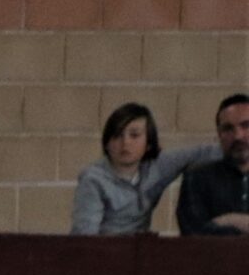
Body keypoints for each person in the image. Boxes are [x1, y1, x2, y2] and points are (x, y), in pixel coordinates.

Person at [70, 104, 218, 236]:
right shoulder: (93, 180)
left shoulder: (157, 166)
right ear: (107, 144)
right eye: (117, 135)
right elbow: (84, 237)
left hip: (140, 252)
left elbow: (202, 152)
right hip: (106, 254)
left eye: (134, 135)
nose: (125, 142)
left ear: (149, 144)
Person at [174, 94, 249, 237]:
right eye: (228, 129)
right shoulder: (197, 179)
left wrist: (229, 220)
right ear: (219, 134)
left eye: (246, 125)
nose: (238, 136)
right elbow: (194, 233)